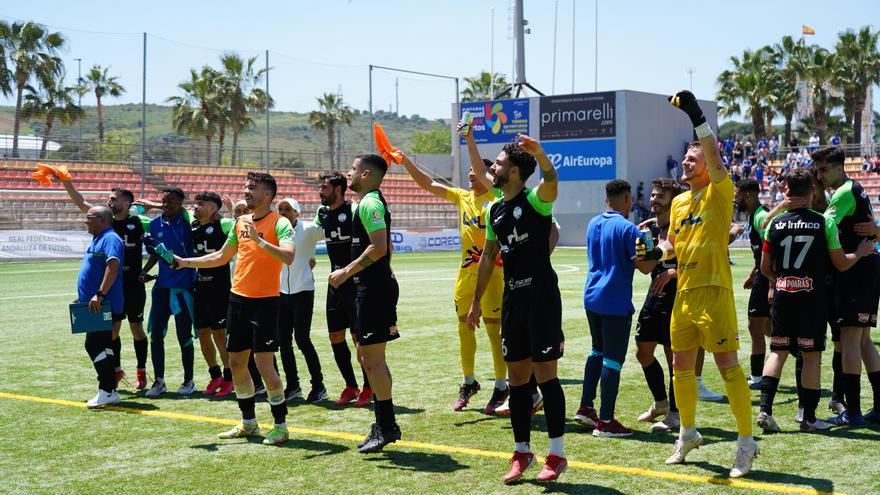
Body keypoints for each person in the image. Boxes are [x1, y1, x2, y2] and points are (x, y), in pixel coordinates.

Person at [638, 90, 758, 478]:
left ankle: (745, 443)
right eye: (685, 159)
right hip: (684, 294)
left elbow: (711, 149)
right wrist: (656, 254)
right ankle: (687, 433)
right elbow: (672, 243)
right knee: (680, 366)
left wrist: (694, 114)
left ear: (710, 164)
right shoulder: (678, 203)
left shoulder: (720, 192)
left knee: (728, 367)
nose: (686, 164)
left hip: (715, 293)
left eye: (693, 159)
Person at [466, 134, 567, 484]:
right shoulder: (494, 209)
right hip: (513, 300)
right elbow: (489, 256)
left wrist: (540, 153)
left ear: (515, 170)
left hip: (541, 298)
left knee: (547, 375)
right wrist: (477, 301)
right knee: (518, 381)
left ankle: (556, 454)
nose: (492, 167)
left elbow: (552, 182)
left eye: (498, 163)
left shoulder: (536, 201)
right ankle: (522, 451)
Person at [176, 171, 295, 445]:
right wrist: (185, 262)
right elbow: (221, 257)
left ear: (268, 195)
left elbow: (289, 256)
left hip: (265, 303)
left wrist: (260, 240)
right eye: (245, 186)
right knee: (237, 363)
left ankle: (281, 425)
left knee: (264, 365)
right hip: (237, 300)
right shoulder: (240, 221)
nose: (246, 191)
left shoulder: (280, 223)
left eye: (252, 188)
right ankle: (249, 423)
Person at [757, 168, 874, 433]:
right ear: (812, 190)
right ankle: (809, 418)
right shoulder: (824, 222)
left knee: (778, 351)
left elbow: (765, 268)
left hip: (783, 295)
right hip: (812, 299)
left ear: (786, 192)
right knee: (811, 356)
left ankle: (765, 410)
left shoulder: (775, 224)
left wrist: (784, 278)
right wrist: (860, 252)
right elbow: (841, 264)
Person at [400, 127, 507, 414]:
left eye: (476, 171)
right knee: (465, 329)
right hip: (466, 275)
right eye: (469, 172)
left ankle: (501, 385)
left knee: (495, 333)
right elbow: (428, 185)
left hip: (495, 274)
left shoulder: (498, 200)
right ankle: (469, 382)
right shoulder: (462, 197)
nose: (471, 175)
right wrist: (406, 162)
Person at [328, 154, 402, 453]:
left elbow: (380, 247)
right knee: (365, 358)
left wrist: (346, 271)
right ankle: (383, 422)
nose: (349, 173)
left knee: (373, 360)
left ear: (367, 174)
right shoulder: (366, 202)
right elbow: (387, 248)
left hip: (373, 290)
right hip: (368, 289)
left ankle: (386, 425)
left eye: (354, 169)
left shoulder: (370, 202)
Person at [578, 179, 655, 437]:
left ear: (606, 199)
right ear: (627, 200)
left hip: (592, 296)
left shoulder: (593, 223)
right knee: (612, 360)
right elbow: (645, 266)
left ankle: (586, 407)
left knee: (596, 351)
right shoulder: (629, 229)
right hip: (614, 301)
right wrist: (656, 245)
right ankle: (606, 422)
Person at [61, 178, 151, 390]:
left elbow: (159, 242)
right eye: (109, 199)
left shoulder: (141, 222)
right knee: (112, 331)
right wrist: (66, 183)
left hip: (132, 283)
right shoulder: (103, 220)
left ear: (127, 203)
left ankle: (142, 370)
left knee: (136, 328)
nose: (109, 201)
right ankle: (116, 370)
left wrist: (146, 272)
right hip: (111, 286)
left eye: (113, 199)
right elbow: (81, 202)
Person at [814, 146, 880, 427]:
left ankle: (852, 412)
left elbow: (825, 225)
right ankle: (878, 407)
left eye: (823, 170)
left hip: (858, 269)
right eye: (816, 170)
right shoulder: (854, 188)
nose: (819, 176)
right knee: (863, 341)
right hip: (867, 268)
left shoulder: (843, 193)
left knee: (852, 340)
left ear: (840, 168)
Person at [313, 172, 372, 407]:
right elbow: (306, 236)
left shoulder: (354, 212)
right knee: (335, 337)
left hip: (354, 284)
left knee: (359, 339)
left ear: (338, 189)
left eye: (325, 187)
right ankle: (351, 385)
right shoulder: (323, 214)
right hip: (334, 284)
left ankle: (369, 387)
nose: (320, 191)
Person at [632, 178, 684, 433]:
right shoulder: (650, 230)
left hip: (677, 298)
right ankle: (661, 403)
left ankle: (676, 414)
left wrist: (672, 272)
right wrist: (638, 250)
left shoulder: (682, 228)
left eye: (659, 196)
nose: (653, 200)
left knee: (673, 358)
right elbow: (644, 269)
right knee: (642, 353)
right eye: (653, 195)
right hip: (655, 297)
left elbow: (695, 264)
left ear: (673, 201)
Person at [140, 188, 197, 398]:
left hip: (183, 289)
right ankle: (159, 381)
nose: (166, 206)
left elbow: (188, 211)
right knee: (156, 335)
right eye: (163, 202)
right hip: (161, 288)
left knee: (184, 336)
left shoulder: (188, 221)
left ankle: (189, 380)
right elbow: (156, 254)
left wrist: (154, 205)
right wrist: (144, 272)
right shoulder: (155, 225)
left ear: (181, 202)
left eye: (171, 202)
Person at [277, 197, 326, 403]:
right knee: (283, 342)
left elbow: (325, 231)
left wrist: (325, 211)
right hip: (280, 293)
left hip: (303, 290)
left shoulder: (308, 229)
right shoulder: (274, 231)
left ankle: (319, 386)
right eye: (280, 209)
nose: (283, 212)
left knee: (302, 339)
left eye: (288, 209)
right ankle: (293, 385)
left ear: (297, 213)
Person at [78, 206, 125, 408]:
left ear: (101, 219)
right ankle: (110, 388)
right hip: (96, 303)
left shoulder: (111, 238)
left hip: (104, 304)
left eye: (89, 218)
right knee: (104, 345)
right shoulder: (98, 238)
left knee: (94, 345)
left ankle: (106, 389)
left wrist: (100, 294)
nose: (85, 221)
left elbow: (113, 267)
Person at [190, 192, 236, 397]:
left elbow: (240, 227)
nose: (195, 206)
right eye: (195, 203)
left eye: (200, 204)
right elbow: (174, 209)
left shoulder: (223, 224)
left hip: (220, 288)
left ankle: (229, 377)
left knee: (219, 333)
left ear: (212, 208)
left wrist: (231, 210)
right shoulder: (192, 225)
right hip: (200, 287)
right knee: (202, 333)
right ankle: (215, 374)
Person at [734, 179, 772, 389]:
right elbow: (761, 254)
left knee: (755, 326)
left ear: (748, 195)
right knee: (766, 327)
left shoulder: (760, 217)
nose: (734, 199)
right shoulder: (754, 216)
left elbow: (772, 249)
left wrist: (770, 282)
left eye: (737, 194)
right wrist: (753, 272)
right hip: (761, 275)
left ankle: (757, 378)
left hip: (767, 278)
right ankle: (798, 350)